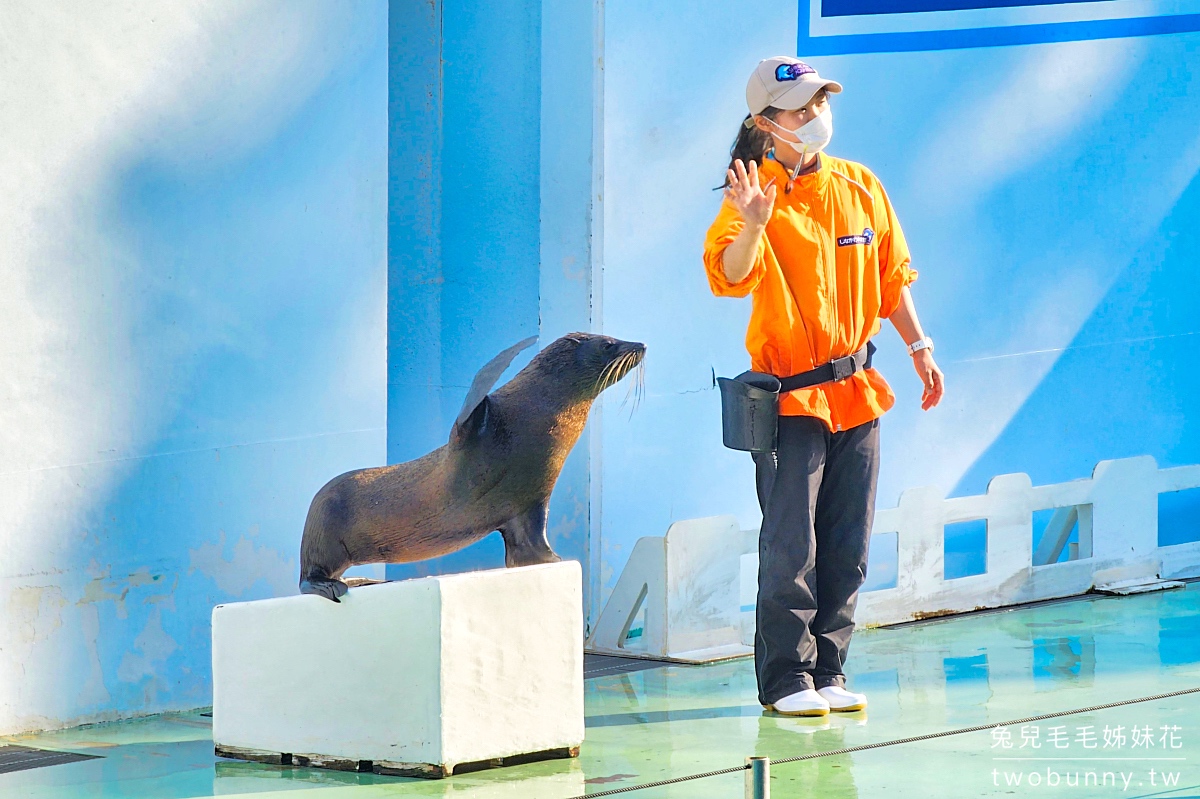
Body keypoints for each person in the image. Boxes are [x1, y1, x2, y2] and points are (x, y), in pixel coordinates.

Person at [703, 56, 945, 717]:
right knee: (792, 545)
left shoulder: (861, 186)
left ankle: (831, 668)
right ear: (765, 124)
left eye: (818, 104)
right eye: (798, 109)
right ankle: (787, 677)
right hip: (790, 400)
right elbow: (729, 274)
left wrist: (919, 347)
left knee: (848, 541)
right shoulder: (751, 193)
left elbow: (892, 279)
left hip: (856, 389)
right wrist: (754, 221)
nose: (814, 118)